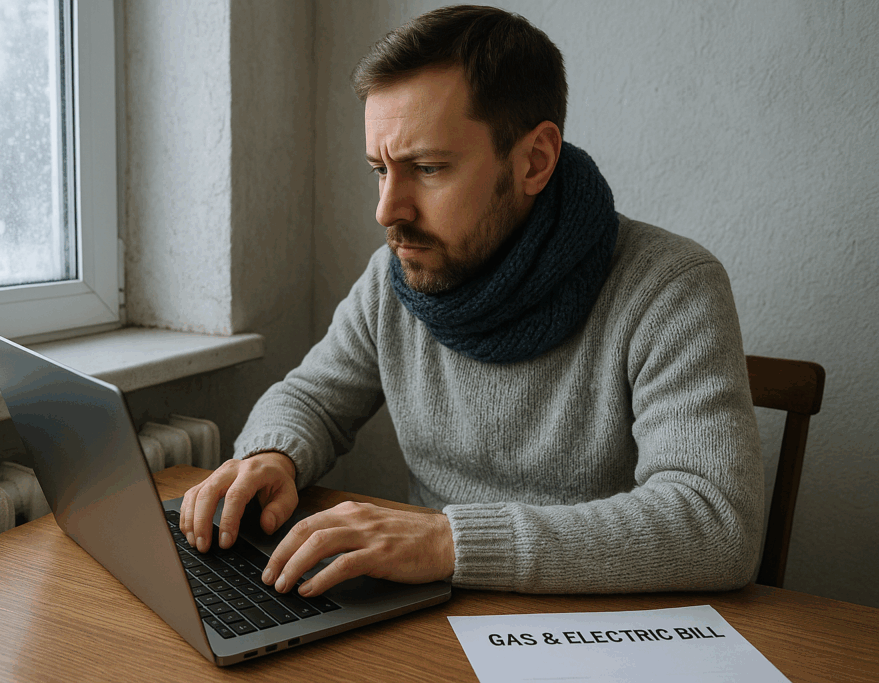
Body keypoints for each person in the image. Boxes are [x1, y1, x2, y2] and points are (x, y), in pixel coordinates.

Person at [179, 5, 763, 599]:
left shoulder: (670, 287)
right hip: (429, 617)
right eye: (379, 169)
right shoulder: (396, 278)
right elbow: (311, 400)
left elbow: (714, 521)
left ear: (535, 160)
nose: (387, 210)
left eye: (428, 168)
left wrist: (447, 543)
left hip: (600, 626)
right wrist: (273, 456)